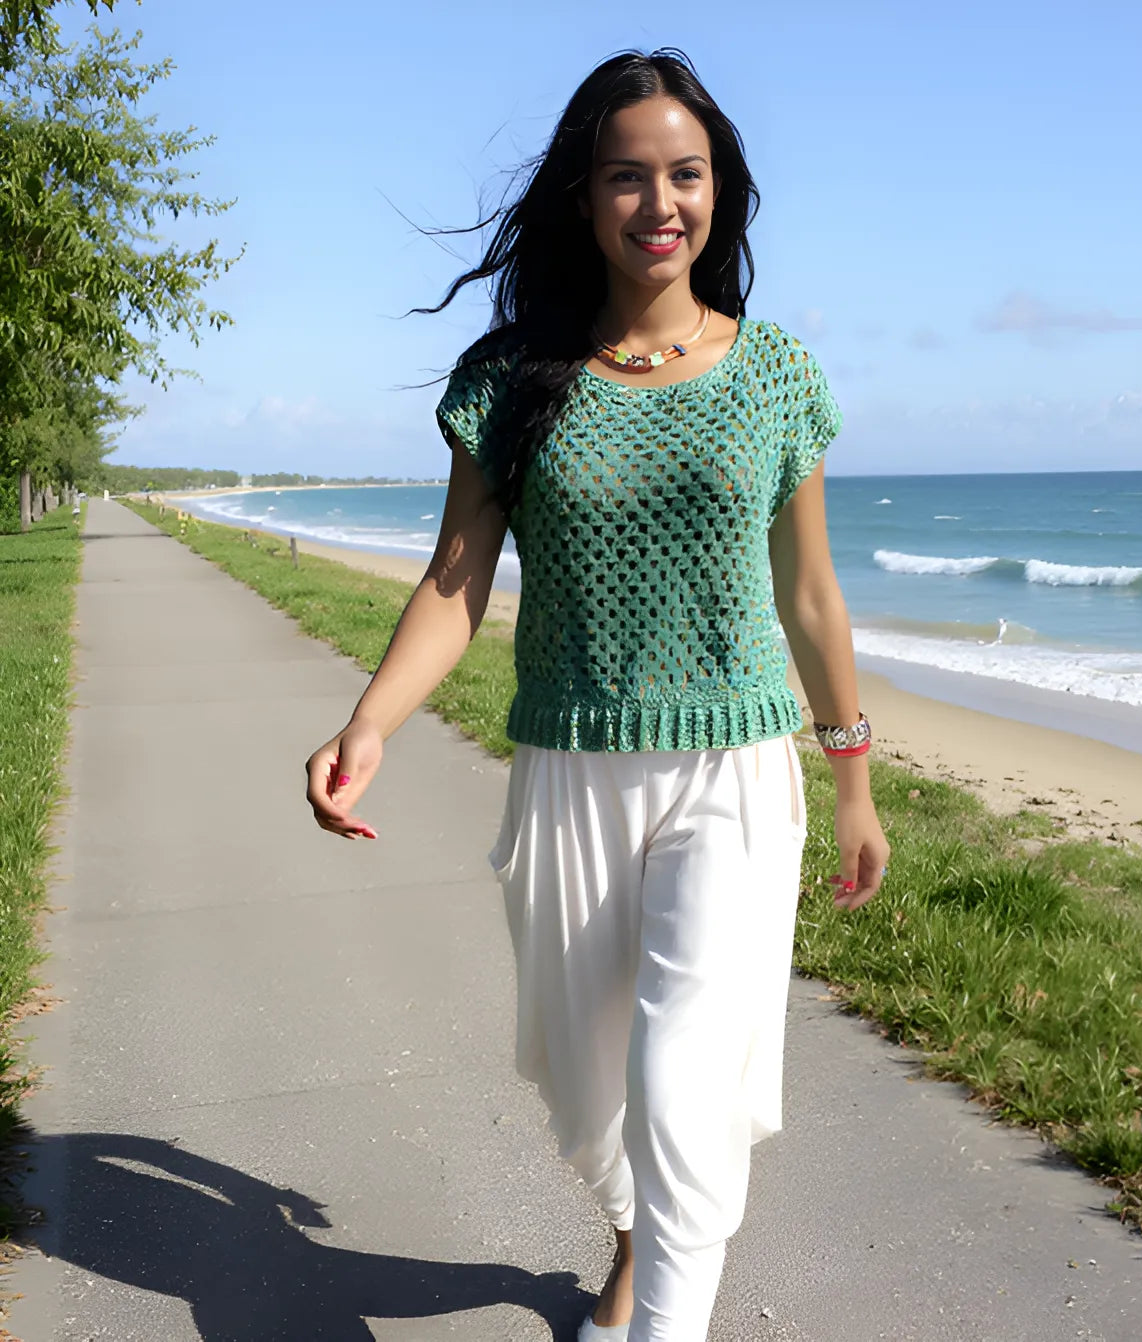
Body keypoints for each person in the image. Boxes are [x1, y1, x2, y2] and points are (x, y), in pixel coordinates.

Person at [304, 48, 890, 1342]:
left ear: (720, 193)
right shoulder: (515, 379)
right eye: (629, 177)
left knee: (683, 1077)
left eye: (687, 175)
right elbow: (458, 581)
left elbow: (811, 598)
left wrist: (851, 776)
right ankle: (636, 1236)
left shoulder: (776, 375)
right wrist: (370, 722)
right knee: (589, 1083)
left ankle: (664, 1318)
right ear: (584, 198)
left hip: (735, 770)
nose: (660, 201)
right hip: (570, 766)